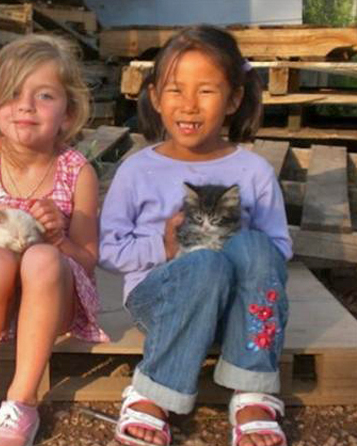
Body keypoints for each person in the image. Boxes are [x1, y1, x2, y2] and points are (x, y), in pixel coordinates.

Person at [99, 25, 292, 446]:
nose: (188, 105)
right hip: (162, 301)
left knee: (256, 246)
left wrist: (241, 241)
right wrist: (164, 246)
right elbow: (108, 251)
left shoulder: (253, 171)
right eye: (174, 90)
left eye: (206, 91)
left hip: (236, 314)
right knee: (202, 262)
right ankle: (155, 392)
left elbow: (279, 249)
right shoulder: (138, 170)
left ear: (234, 99)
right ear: (153, 96)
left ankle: (252, 388)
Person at [0, 34, 109, 446]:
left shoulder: (77, 173)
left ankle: (20, 402)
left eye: (44, 95)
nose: (26, 106)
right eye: (12, 94)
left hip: (52, 308)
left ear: (67, 113)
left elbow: (87, 259)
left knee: (43, 259)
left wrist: (58, 238)